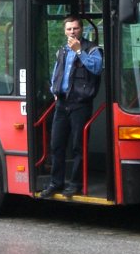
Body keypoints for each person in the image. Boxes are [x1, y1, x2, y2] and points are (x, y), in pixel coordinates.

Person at [41, 15, 103, 198]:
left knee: (78, 146)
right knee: (56, 145)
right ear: (64, 30)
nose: (72, 32)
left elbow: (97, 68)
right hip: (61, 103)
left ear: (81, 29)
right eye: (69, 29)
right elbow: (56, 71)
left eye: (75, 28)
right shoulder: (62, 51)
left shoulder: (91, 49)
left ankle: (75, 183)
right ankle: (56, 183)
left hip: (80, 104)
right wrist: (54, 89)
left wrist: (79, 52)